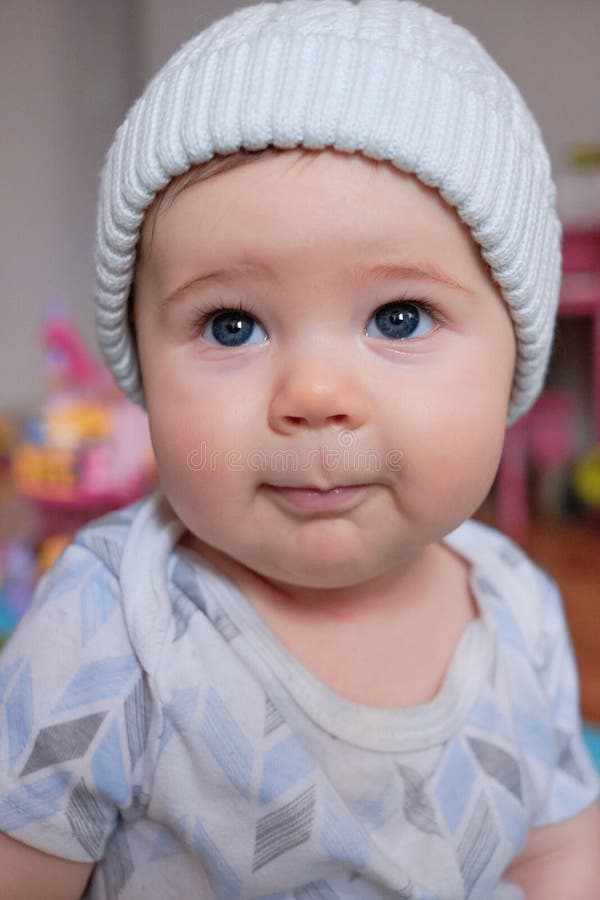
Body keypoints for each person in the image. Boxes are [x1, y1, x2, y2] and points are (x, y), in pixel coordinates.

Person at [1, 1, 599, 897]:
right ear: (143, 371)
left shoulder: (518, 610)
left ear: (516, 356)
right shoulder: (113, 628)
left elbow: (559, 855)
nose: (314, 396)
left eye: (399, 317)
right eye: (231, 324)